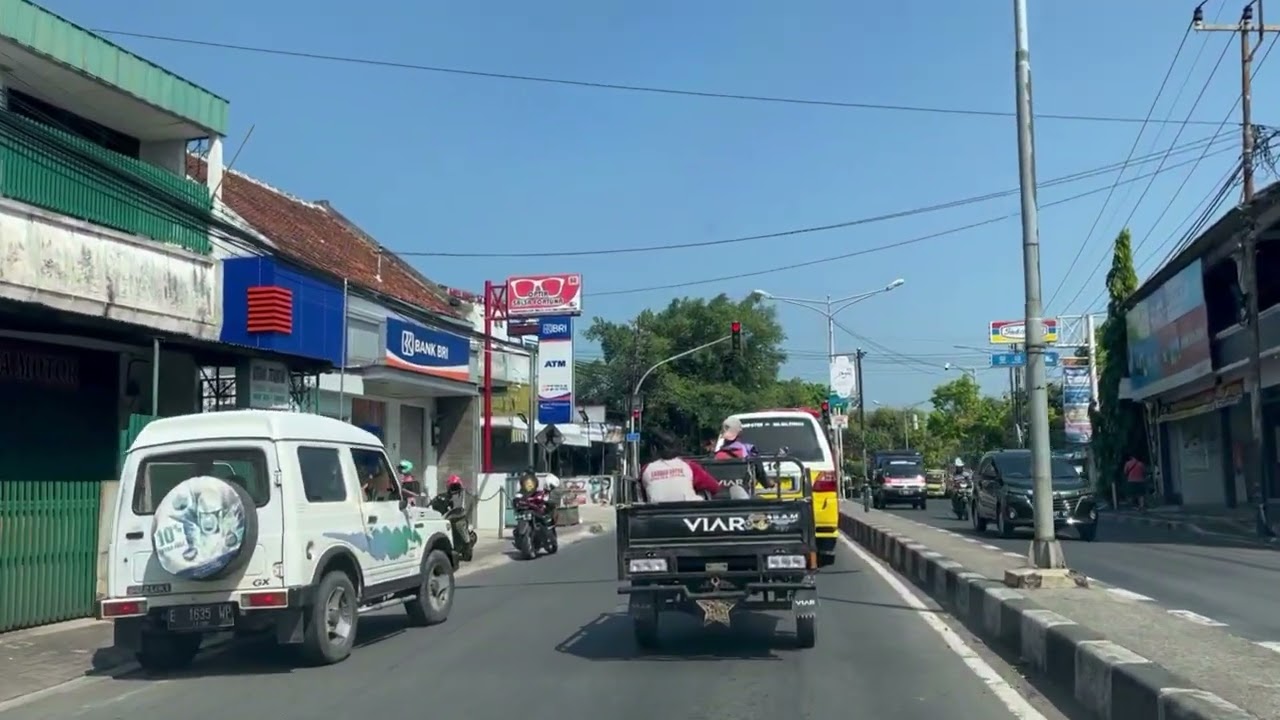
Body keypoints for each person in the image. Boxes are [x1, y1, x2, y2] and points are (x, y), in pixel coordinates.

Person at [641, 429, 722, 502]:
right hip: (690, 510)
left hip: (657, 511)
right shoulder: (689, 466)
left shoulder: (646, 469)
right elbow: (714, 487)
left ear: (654, 449)